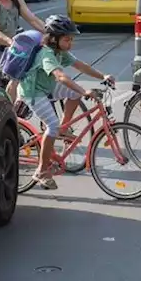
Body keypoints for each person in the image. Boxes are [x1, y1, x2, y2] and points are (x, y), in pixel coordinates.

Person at [20, 15, 114, 190]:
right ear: (54, 39)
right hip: (33, 92)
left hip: (46, 87)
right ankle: (41, 170)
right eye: (67, 39)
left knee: (73, 94)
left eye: (71, 39)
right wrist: (83, 90)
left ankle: (64, 128)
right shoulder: (47, 54)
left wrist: (103, 76)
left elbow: (81, 65)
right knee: (52, 126)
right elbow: (61, 76)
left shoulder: (60, 51)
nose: (70, 43)